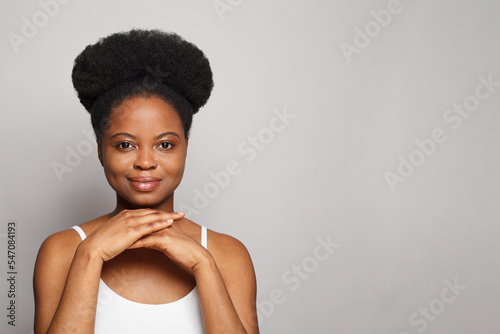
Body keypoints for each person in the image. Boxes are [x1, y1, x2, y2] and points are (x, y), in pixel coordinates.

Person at [33, 29, 259, 334]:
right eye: (125, 144)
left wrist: (202, 265)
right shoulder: (62, 251)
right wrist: (91, 253)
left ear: (185, 149)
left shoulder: (226, 254)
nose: (145, 161)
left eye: (165, 144)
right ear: (101, 151)